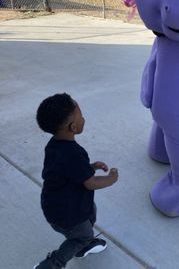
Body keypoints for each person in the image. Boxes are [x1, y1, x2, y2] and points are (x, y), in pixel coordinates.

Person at [34, 93, 118, 269]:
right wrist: (111, 179)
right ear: (73, 127)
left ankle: (84, 245)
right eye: (82, 116)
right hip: (69, 213)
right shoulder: (74, 153)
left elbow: (67, 169)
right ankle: (52, 264)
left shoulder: (54, 145)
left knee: (90, 215)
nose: (84, 119)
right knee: (81, 235)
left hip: (56, 205)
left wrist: (91, 166)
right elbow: (91, 183)